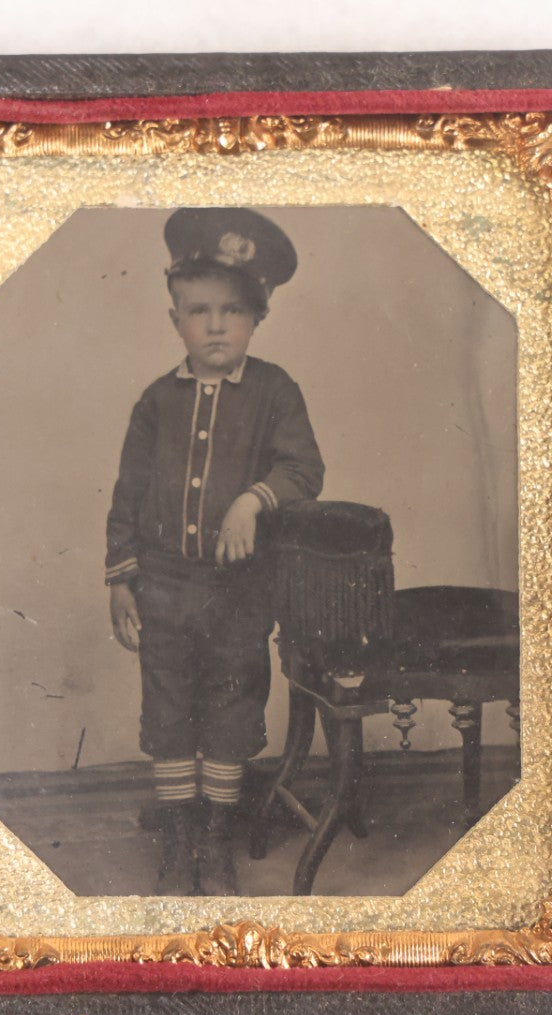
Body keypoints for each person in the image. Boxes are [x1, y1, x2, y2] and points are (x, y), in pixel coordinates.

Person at [105, 208, 324, 895]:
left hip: (238, 591)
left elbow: (303, 470)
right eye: (199, 311)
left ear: (257, 317)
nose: (217, 325)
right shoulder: (155, 402)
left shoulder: (274, 390)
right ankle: (179, 843)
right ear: (175, 320)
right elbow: (127, 495)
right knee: (169, 712)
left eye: (233, 310)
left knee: (230, 711)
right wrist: (120, 579)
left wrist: (252, 499)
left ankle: (214, 841)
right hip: (163, 586)